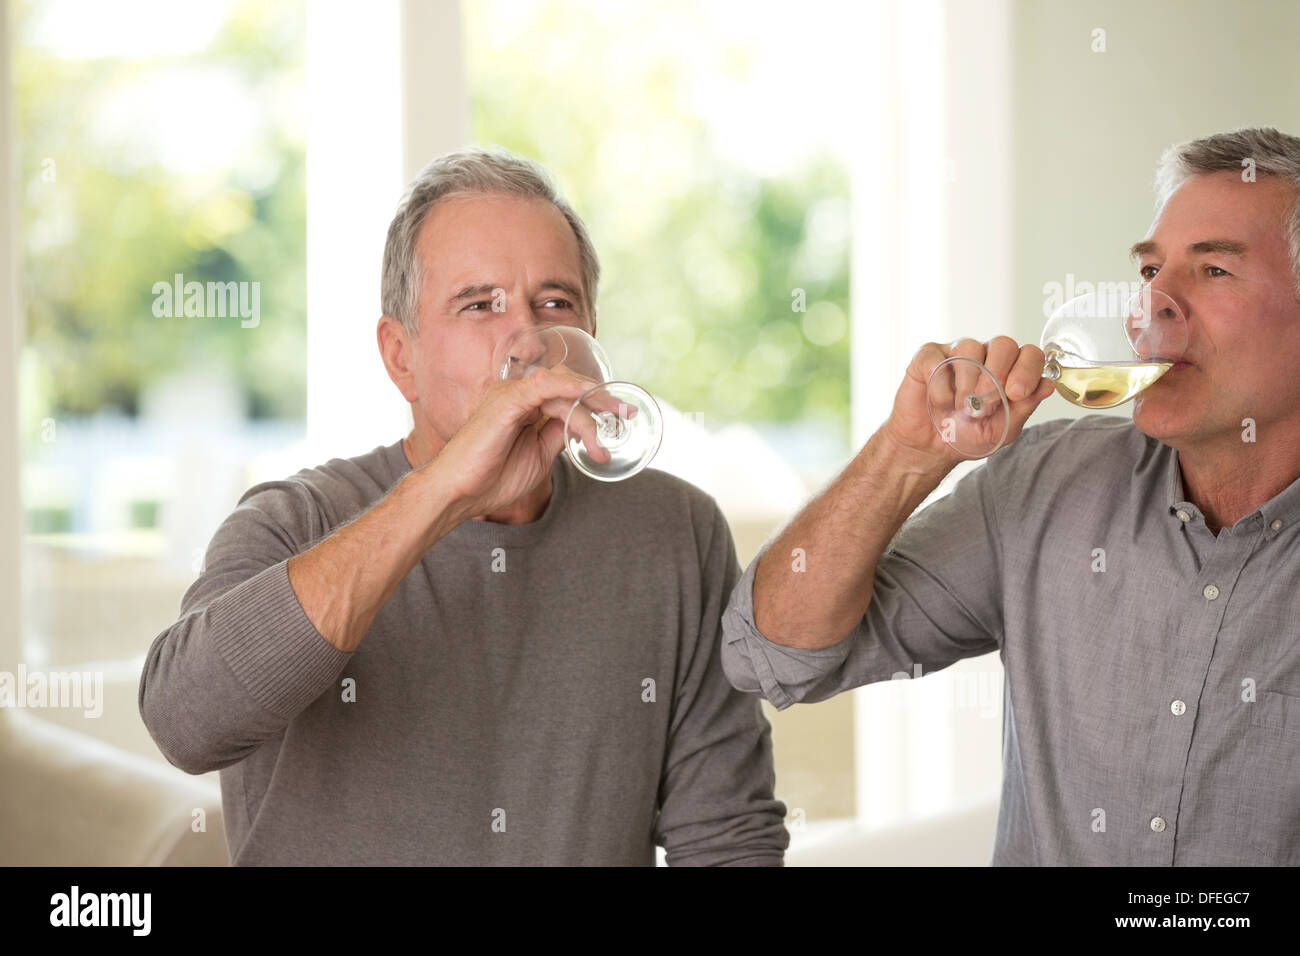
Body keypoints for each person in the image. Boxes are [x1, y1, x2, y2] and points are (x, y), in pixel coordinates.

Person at [139, 146, 788, 866]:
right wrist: (445, 492)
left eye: (556, 303)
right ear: (400, 357)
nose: (527, 339)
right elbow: (184, 723)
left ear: (591, 335)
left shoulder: (675, 531)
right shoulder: (293, 522)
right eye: (480, 304)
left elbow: (727, 836)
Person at [721, 126, 1300, 865]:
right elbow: (773, 655)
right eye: (1151, 270)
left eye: (1213, 271)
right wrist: (908, 454)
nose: (1153, 304)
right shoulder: (1046, 484)